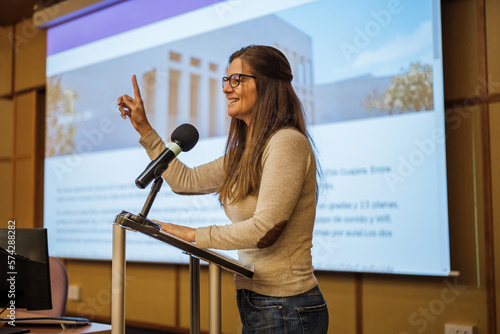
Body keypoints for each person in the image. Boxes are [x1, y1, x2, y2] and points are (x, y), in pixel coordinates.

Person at [117, 45, 329, 333]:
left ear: (267, 85)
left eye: (237, 80)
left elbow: (265, 229)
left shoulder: (286, 142)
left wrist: (193, 235)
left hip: (287, 306)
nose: (227, 89)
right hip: (259, 301)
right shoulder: (245, 153)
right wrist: (144, 128)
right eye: (226, 81)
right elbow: (185, 181)